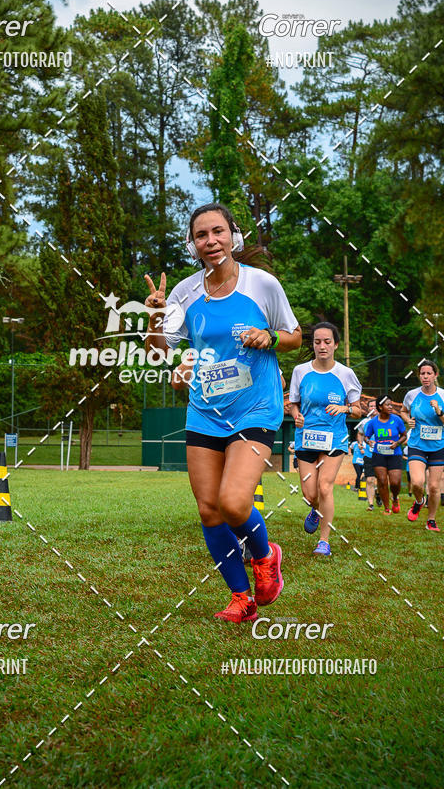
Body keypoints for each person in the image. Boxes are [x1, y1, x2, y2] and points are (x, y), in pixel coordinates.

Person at [145, 202, 302, 623]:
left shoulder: (262, 284)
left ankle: (266, 556)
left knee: (234, 503)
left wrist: (268, 336)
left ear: (233, 235)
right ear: (193, 245)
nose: (210, 241)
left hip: (254, 409)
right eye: (201, 236)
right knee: (208, 510)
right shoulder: (185, 292)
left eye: (218, 232)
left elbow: (295, 336)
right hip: (204, 412)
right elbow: (160, 352)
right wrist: (156, 318)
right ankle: (241, 598)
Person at [289, 323, 362, 556]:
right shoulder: (300, 371)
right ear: (313, 344)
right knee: (310, 494)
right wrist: (296, 416)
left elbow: (358, 410)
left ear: (336, 345)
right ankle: (314, 509)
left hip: (335, 440)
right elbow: (293, 404)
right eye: (317, 342)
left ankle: (324, 541)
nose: (322, 346)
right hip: (306, 438)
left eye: (327, 342)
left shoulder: (346, 374)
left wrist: (344, 409)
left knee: (325, 487)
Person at [401, 360, 444, 532]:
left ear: (435, 375)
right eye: (422, 373)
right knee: (417, 483)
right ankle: (419, 501)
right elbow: (403, 410)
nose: (425, 377)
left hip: (438, 446)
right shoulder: (411, 395)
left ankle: (431, 520)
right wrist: (408, 420)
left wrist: (439, 412)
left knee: (434, 487)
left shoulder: (442, 395)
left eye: (429, 373)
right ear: (419, 376)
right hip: (417, 444)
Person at [363, 395, 407, 514]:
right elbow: (366, 437)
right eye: (388, 405)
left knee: (395, 482)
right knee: (382, 481)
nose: (391, 407)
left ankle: (395, 498)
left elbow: (404, 435)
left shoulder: (397, 419)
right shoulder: (373, 422)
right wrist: (369, 441)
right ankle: (387, 508)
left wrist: (397, 443)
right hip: (379, 454)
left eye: (391, 404)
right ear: (380, 407)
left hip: (394, 454)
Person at [357, 405, 379, 509]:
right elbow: (360, 433)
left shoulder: (385, 420)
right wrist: (360, 443)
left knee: (382, 480)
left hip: (383, 454)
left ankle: (378, 494)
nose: (373, 408)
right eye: (370, 406)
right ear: (368, 409)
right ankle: (371, 504)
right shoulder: (364, 422)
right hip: (369, 454)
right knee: (369, 479)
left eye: (375, 406)